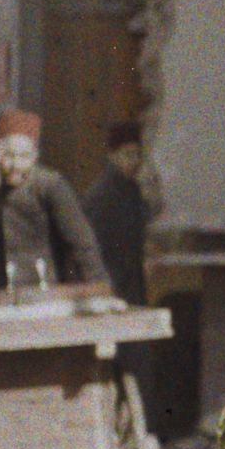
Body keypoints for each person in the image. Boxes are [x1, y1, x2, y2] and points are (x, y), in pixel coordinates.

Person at [0, 108, 108, 292]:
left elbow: (83, 245)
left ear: (35, 156)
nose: (15, 165)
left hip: (43, 294)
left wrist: (100, 293)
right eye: (8, 155)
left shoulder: (49, 185)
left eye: (23, 156)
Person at [83, 120, 151, 308]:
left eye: (138, 155)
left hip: (131, 279)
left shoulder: (133, 190)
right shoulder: (102, 195)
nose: (135, 161)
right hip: (112, 281)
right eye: (128, 155)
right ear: (113, 156)